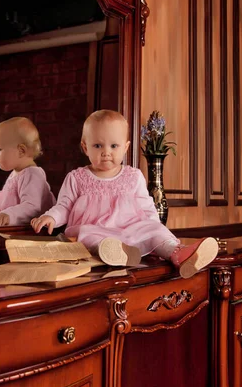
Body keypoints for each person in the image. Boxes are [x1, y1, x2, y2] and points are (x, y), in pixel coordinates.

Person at [31, 109, 218, 278]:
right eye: (97, 146)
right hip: (97, 230)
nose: (106, 152)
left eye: (114, 146)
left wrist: (154, 228)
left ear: (126, 148)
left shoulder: (133, 176)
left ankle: (178, 253)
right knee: (88, 235)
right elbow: (64, 205)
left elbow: (147, 207)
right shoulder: (77, 177)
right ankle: (117, 253)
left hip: (131, 229)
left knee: (155, 230)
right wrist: (51, 218)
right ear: (85, 147)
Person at [0, 117, 55, 227]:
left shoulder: (32, 174)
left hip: (24, 231)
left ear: (21, 151)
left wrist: (9, 215)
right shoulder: (17, 173)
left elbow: (33, 207)